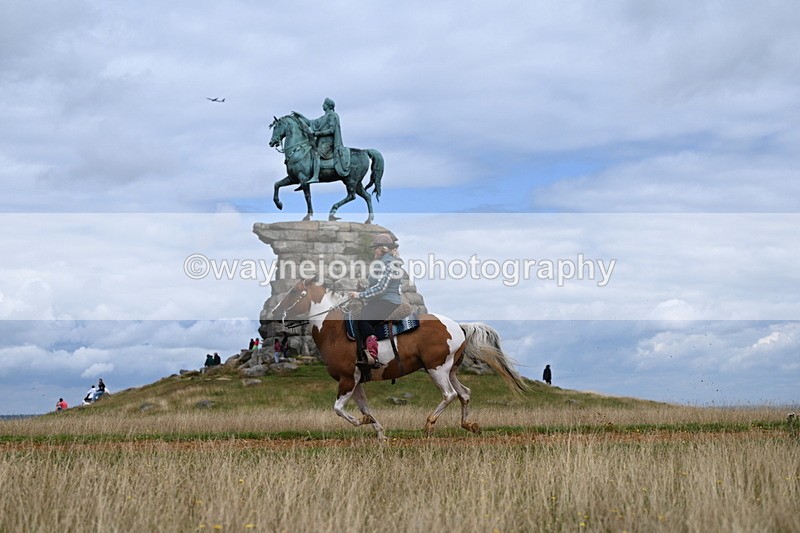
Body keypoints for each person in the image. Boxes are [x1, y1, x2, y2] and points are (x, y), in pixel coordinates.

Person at [348, 233, 403, 366]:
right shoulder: (382, 262)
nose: (374, 250)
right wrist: (364, 289)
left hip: (387, 301)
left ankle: (373, 355)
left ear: (383, 248)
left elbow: (381, 288)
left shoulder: (389, 263)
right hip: (381, 300)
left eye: (376, 248)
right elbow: (376, 285)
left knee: (363, 320)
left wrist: (360, 295)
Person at [291, 97, 350, 188]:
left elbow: (331, 130)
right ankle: (304, 178)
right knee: (308, 152)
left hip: (328, 143)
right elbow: (311, 123)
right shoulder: (324, 117)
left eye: (324, 104)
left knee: (316, 154)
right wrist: (300, 116)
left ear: (328, 105)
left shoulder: (333, 116)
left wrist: (318, 133)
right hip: (321, 141)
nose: (322, 105)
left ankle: (315, 176)